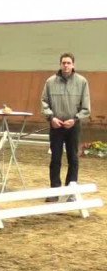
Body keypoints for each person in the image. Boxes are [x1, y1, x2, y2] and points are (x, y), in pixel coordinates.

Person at [41, 52, 91, 202]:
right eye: (64, 63)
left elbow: (86, 107)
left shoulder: (82, 82)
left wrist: (75, 119)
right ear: (60, 64)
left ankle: (71, 191)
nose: (66, 65)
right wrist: (51, 117)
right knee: (55, 159)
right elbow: (44, 102)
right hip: (56, 126)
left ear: (73, 65)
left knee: (73, 158)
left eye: (69, 63)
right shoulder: (50, 82)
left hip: (73, 127)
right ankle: (54, 191)